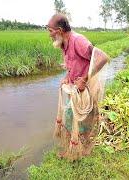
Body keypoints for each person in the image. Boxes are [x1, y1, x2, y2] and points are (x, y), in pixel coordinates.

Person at [47, 14, 109, 161]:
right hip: (76, 87)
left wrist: (85, 79)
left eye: (50, 31)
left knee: (74, 117)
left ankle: (80, 149)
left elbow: (102, 58)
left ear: (60, 30)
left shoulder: (78, 41)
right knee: (76, 118)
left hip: (86, 87)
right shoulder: (64, 43)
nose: (49, 35)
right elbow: (73, 64)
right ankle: (78, 147)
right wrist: (67, 77)